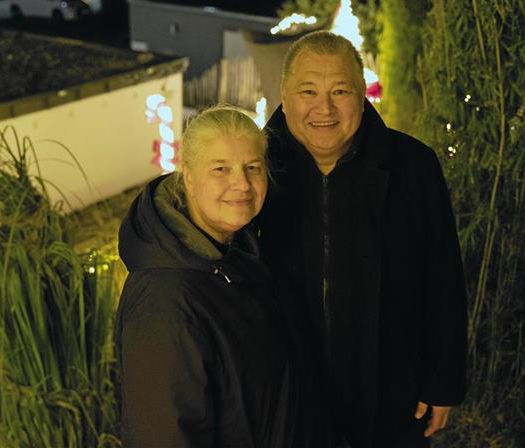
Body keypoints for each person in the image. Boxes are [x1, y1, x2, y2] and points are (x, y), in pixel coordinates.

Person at [256, 31, 468, 448]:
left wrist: (443, 382)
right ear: (284, 94)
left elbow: (443, 278)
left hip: (394, 393)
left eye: (340, 91)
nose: (324, 108)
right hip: (288, 399)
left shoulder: (412, 166)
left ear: (363, 93)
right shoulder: (257, 171)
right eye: (308, 91)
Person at [115, 106, 324, 447]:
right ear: (188, 176)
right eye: (220, 169)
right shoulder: (165, 302)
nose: (241, 183)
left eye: (253, 168)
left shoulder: (238, 255)